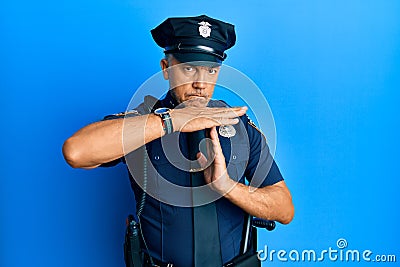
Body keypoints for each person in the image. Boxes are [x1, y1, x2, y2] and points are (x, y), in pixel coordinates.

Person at [63, 15, 294, 267]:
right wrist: (169, 122)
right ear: (165, 68)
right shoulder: (141, 122)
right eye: (188, 68)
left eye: (211, 71)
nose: (200, 83)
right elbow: (76, 151)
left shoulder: (237, 126)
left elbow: (284, 209)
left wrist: (227, 187)